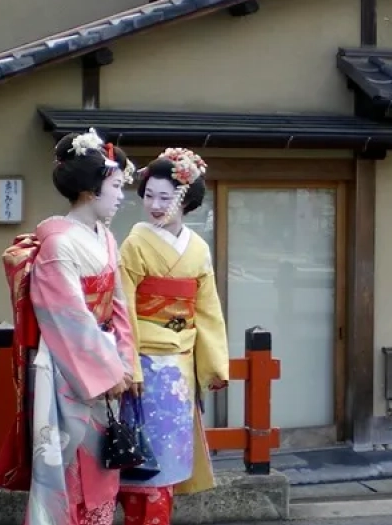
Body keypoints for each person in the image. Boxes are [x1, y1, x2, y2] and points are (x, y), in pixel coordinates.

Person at [18, 129, 138, 525]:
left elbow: (119, 305)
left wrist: (125, 361)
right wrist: (110, 368)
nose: (122, 195)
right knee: (69, 465)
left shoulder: (105, 236)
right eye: (116, 186)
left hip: (104, 368)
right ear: (90, 189)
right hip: (70, 371)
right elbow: (68, 318)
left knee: (103, 465)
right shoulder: (57, 245)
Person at [116, 148, 229, 524]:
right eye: (149, 195)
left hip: (180, 365)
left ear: (185, 198)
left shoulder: (198, 249)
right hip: (145, 366)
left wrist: (213, 366)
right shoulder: (134, 244)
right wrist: (129, 366)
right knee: (143, 464)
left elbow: (208, 310)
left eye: (165, 197)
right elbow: (124, 308)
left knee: (169, 461)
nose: (154, 204)